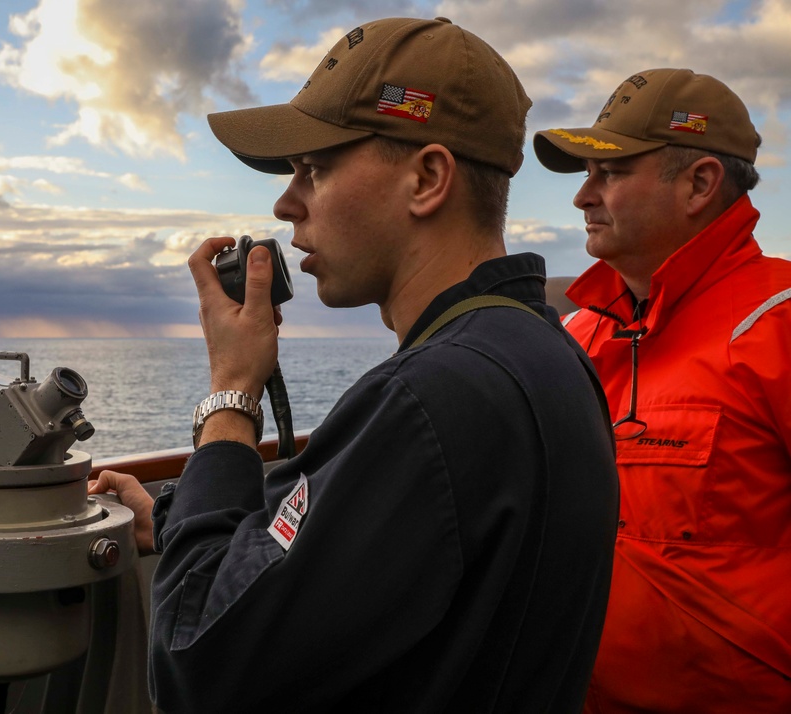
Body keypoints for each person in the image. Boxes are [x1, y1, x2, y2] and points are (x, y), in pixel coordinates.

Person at [93, 17, 619, 713]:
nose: (287, 204)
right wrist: (181, 517)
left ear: (428, 178)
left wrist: (232, 396)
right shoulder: (548, 355)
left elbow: (198, 666)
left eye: (316, 167)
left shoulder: (430, 401)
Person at [534, 68, 791, 712]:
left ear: (700, 183)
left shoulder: (780, 324)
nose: (582, 197)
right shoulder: (580, 334)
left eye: (609, 173)